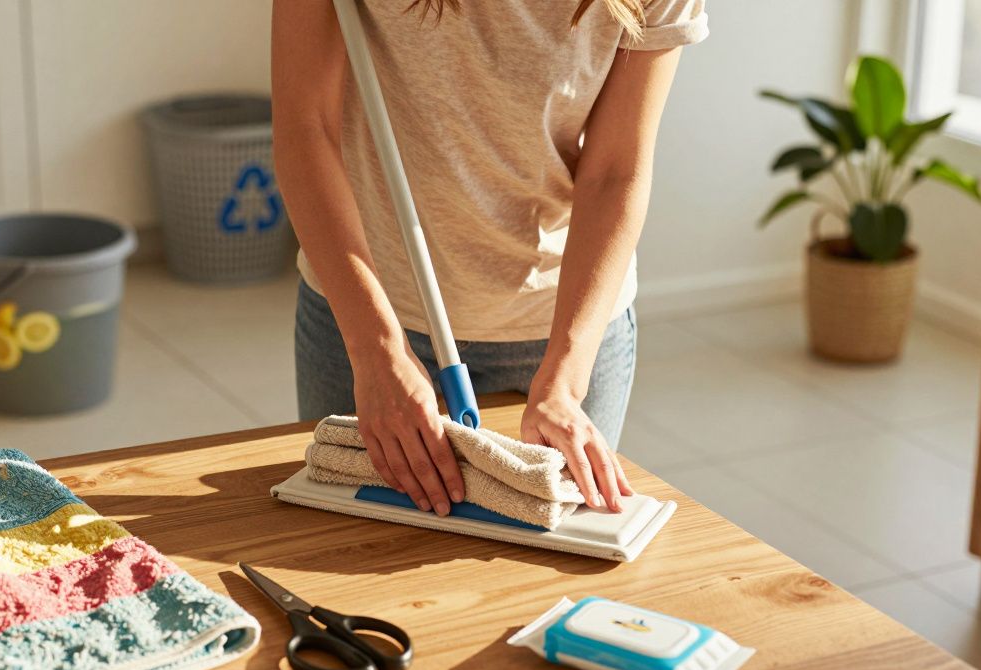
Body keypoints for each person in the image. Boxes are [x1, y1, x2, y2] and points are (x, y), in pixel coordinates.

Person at [272, 0, 707, 519]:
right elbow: (306, 127)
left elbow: (615, 170)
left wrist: (566, 378)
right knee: (341, 553)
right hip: (368, 314)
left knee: (545, 571)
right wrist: (375, 350)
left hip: (562, 328)